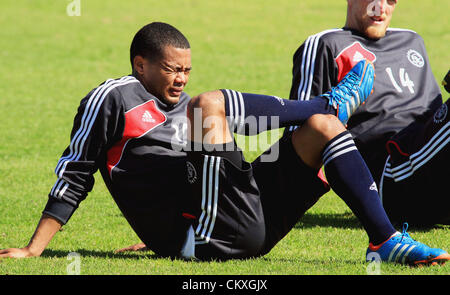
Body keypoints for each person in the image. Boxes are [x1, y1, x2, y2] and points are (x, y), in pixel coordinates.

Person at [0, 22, 447, 266]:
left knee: (321, 130)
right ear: (140, 64)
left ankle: (384, 240)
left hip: (240, 218)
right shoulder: (113, 97)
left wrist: (158, 239)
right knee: (208, 103)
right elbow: (76, 170)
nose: (181, 79)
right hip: (212, 233)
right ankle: (328, 100)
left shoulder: (180, 107)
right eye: (172, 69)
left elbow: (181, 175)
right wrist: (35, 247)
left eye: (187, 70)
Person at [288, 0, 450, 226]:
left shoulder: (412, 40)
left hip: (429, 158)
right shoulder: (327, 44)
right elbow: (297, 137)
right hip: (393, 176)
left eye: (390, 0)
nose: (381, 7)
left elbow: (436, 116)